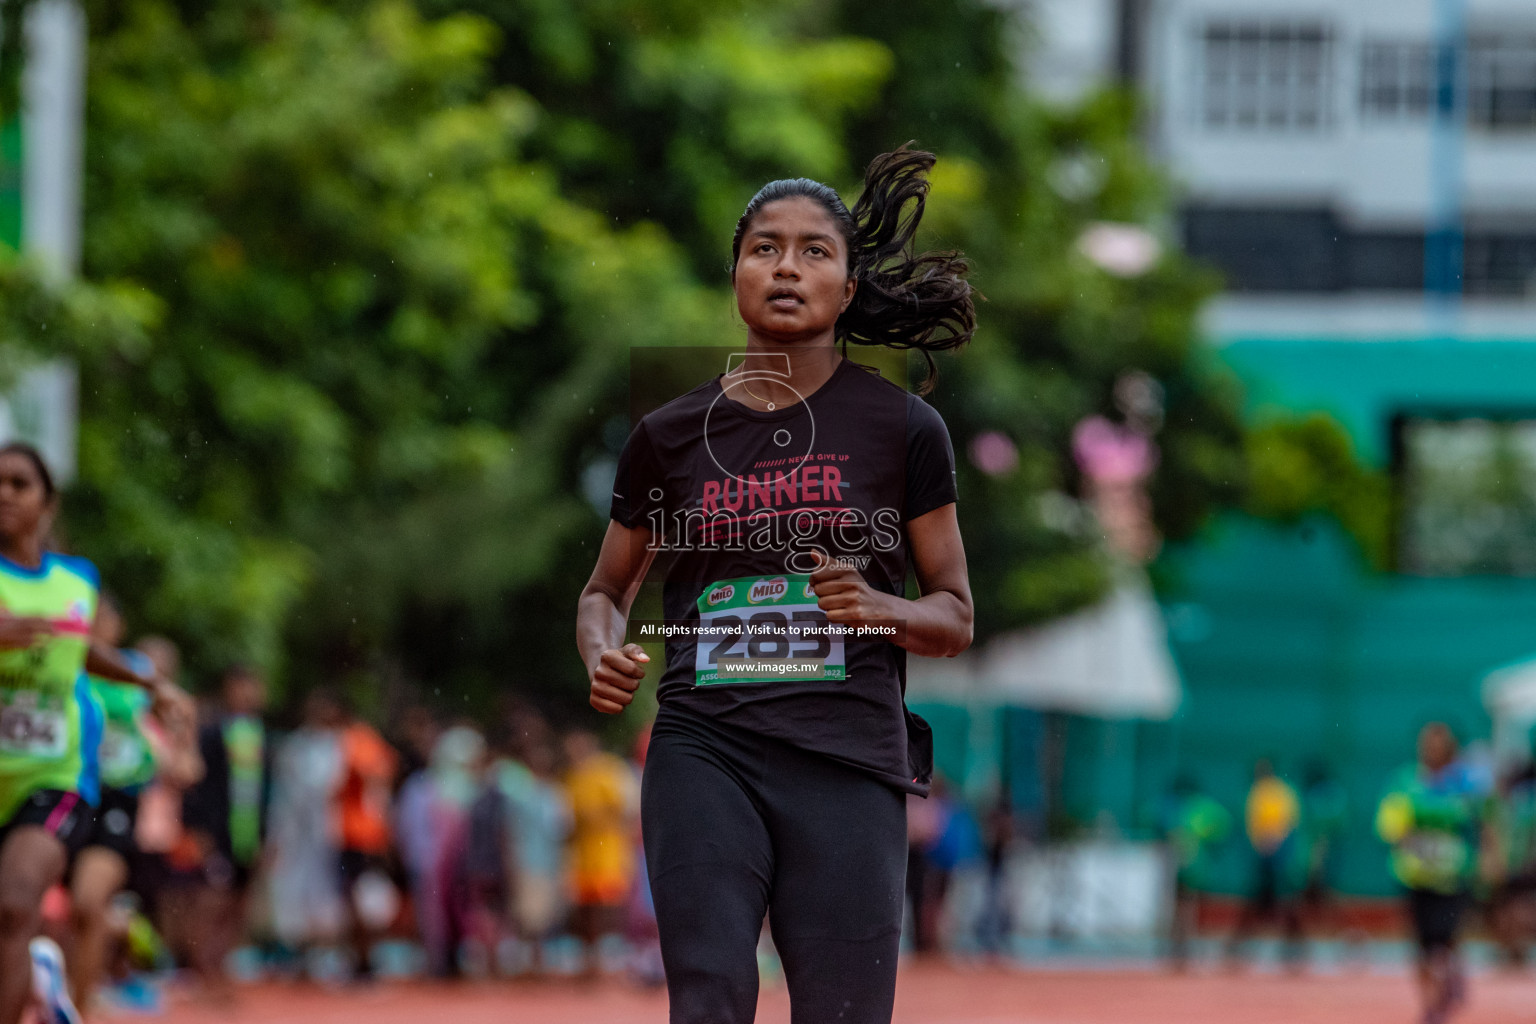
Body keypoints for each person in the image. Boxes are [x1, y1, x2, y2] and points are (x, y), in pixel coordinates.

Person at [577, 145, 975, 1023]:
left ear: (847, 284)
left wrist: (880, 608)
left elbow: (954, 613)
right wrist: (602, 648)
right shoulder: (669, 435)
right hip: (703, 747)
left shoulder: (905, 429)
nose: (786, 267)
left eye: (813, 251)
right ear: (735, 275)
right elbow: (605, 589)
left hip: (846, 759)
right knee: (711, 998)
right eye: (764, 247)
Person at [0, 443, 178, 1024]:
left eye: (19, 483)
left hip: (51, 773)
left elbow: (81, 649)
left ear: (47, 503)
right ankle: (37, 980)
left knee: (14, 903)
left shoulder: (75, 582)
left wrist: (149, 684)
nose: (3, 493)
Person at [69, 601, 201, 1012]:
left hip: (119, 798)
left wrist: (178, 744)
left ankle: (84, 1002)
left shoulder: (133, 671)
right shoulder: (63, 659)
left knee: (91, 902)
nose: (95, 625)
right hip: (63, 789)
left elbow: (178, 713)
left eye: (103, 618)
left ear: (119, 625)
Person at [1376, 723, 1498, 1024]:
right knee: (1422, 944)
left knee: (1443, 940)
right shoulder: (1405, 780)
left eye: (1437, 744)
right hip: (1415, 875)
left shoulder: (1466, 780)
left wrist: (1490, 858)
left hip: (1453, 876)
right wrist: (1399, 833)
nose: (1430, 749)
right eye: (1425, 743)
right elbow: (1389, 821)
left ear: (1450, 747)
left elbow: (1485, 821)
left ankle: (1445, 989)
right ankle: (1430, 1005)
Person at [178, 664, 273, 1001]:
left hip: (247, 835)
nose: (248, 694)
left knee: (237, 905)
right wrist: (198, 829)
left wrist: (265, 836)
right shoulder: (212, 731)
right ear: (229, 688)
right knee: (211, 902)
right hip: (218, 832)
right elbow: (197, 785)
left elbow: (264, 790)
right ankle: (200, 969)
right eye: (242, 686)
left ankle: (221, 966)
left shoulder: (261, 732)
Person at [562, 729, 639, 975]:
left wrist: (596, 818)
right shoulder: (574, 776)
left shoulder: (608, 771)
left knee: (608, 907)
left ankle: (610, 958)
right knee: (585, 910)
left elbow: (625, 810)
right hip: (584, 856)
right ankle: (591, 961)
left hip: (607, 853)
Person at [1226, 759, 1306, 969]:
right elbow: (1253, 823)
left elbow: (1288, 821)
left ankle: (1293, 948)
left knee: (1285, 901)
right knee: (1259, 900)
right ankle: (1240, 947)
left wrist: (1274, 840)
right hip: (1263, 856)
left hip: (1281, 856)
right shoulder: (1258, 792)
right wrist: (1263, 842)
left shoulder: (1280, 791)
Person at [1161, 774, 1232, 970]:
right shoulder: (1203, 808)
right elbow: (1222, 827)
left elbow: (1171, 833)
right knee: (1186, 908)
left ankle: (1181, 951)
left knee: (1184, 908)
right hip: (1194, 866)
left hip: (1189, 866)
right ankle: (1182, 950)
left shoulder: (1182, 808)